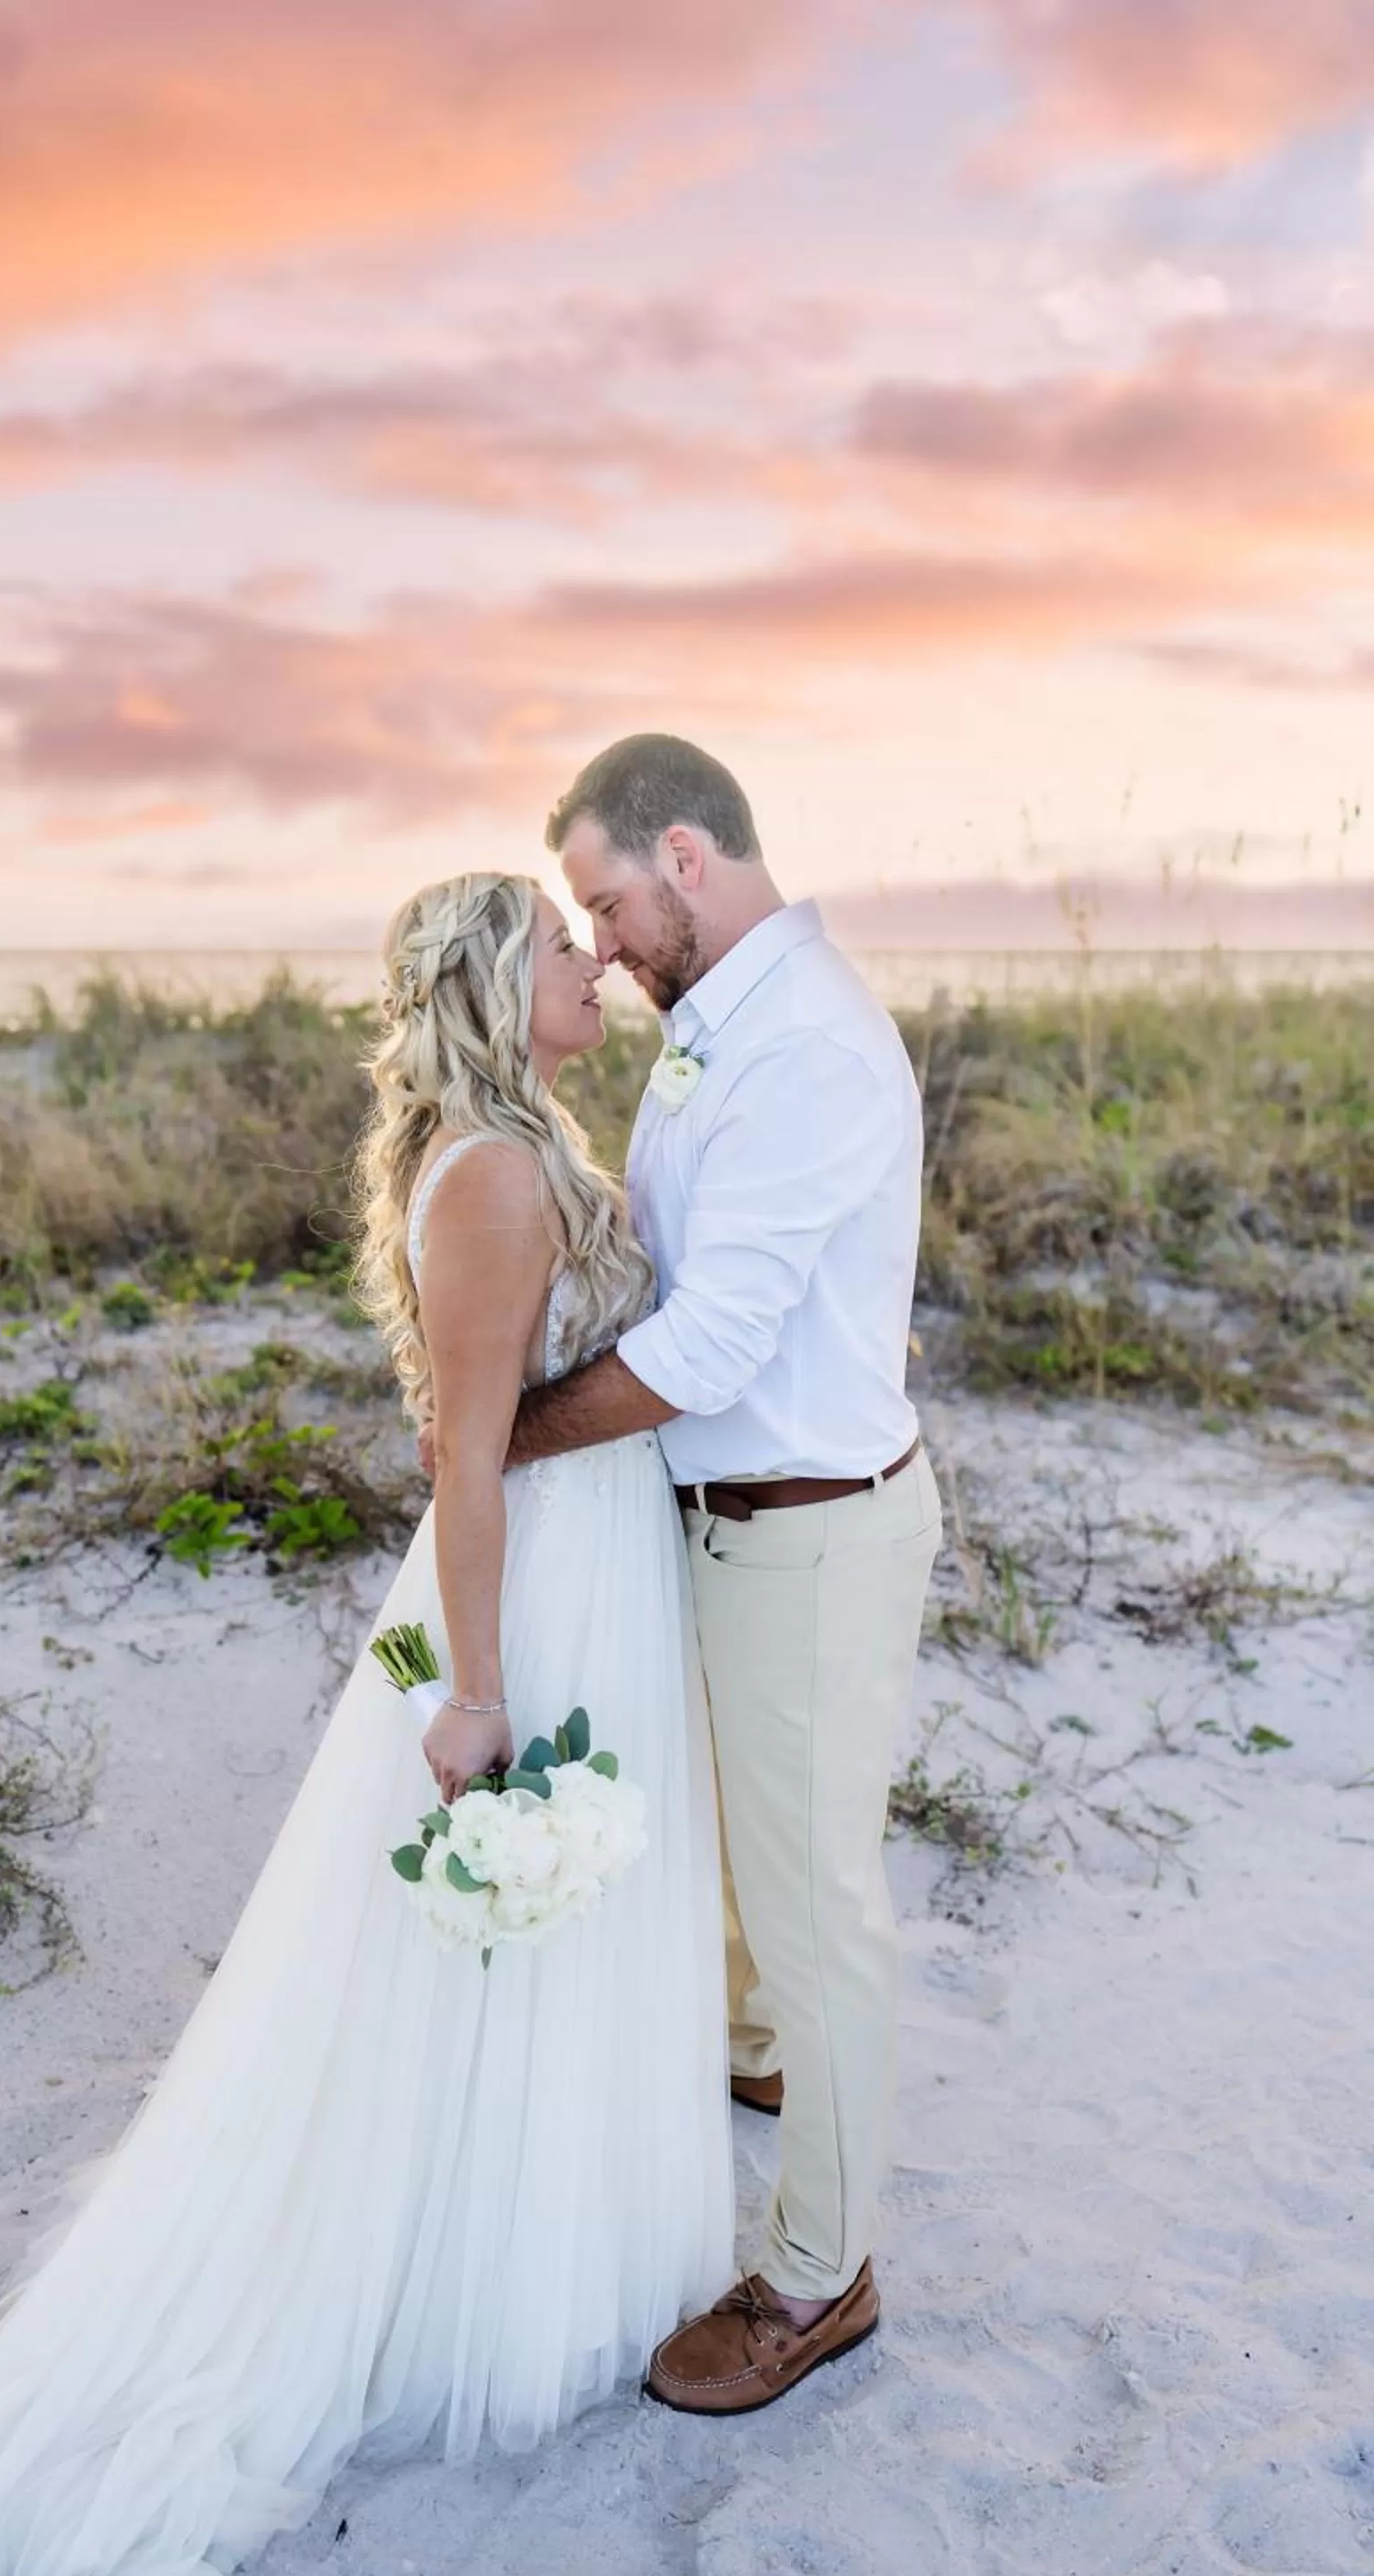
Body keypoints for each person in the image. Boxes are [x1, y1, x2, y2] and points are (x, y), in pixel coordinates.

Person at [0, 872, 733, 2576]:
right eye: (561, 940)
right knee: (483, 1939)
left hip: (584, 1560)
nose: (594, 960)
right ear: (501, 989)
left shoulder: (515, 1138)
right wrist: (474, 1691)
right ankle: (461, 2268)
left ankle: (517, 2229)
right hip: (530, 1585)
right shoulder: (498, 1173)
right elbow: (468, 1459)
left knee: (529, 1951)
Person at [507, 732, 942, 2419]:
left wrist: (505, 1434)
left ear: (683, 856)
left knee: (821, 1902)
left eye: (606, 901)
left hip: (813, 1530)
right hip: (729, 1516)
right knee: (746, 1841)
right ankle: (756, 2056)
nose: (599, 943)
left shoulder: (812, 1047)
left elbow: (712, 1341)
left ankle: (822, 2278)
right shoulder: (717, 1032)